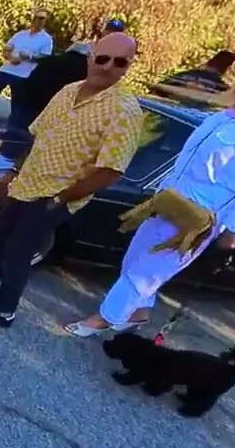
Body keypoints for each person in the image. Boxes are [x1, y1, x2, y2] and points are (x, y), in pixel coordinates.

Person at [0, 33, 145, 328]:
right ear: (90, 59)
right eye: (102, 59)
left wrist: (63, 197)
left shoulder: (125, 111)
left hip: (55, 196)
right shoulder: (68, 91)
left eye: (119, 63)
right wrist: (13, 171)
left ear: (127, 67)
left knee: (18, 250)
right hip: (27, 182)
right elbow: (38, 136)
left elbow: (111, 170)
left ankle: (4, 311)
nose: (107, 67)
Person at [64, 98, 235, 336]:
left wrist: (232, 231)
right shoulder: (221, 117)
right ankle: (138, 314)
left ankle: (105, 318)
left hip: (197, 217)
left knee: (147, 272)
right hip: (170, 199)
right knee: (134, 259)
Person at [0, 10, 53, 128]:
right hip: (6, 70)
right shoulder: (20, 35)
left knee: (16, 103)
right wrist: (11, 57)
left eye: (42, 18)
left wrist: (30, 57)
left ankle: (12, 128)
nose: (38, 20)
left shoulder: (46, 39)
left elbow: (45, 57)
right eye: (37, 17)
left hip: (23, 75)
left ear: (46, 21)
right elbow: (6, 49)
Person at [11, 43, 91, 125]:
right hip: (56, 110)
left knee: (15, 131)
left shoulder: (51, 59)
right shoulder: (87, 71)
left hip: (31, 101)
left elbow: (31, 79)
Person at [160, 50, 233, 95]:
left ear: (208, 63)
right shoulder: (220, 87)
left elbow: (158, 88)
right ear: (225, 69)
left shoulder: (184, 75)